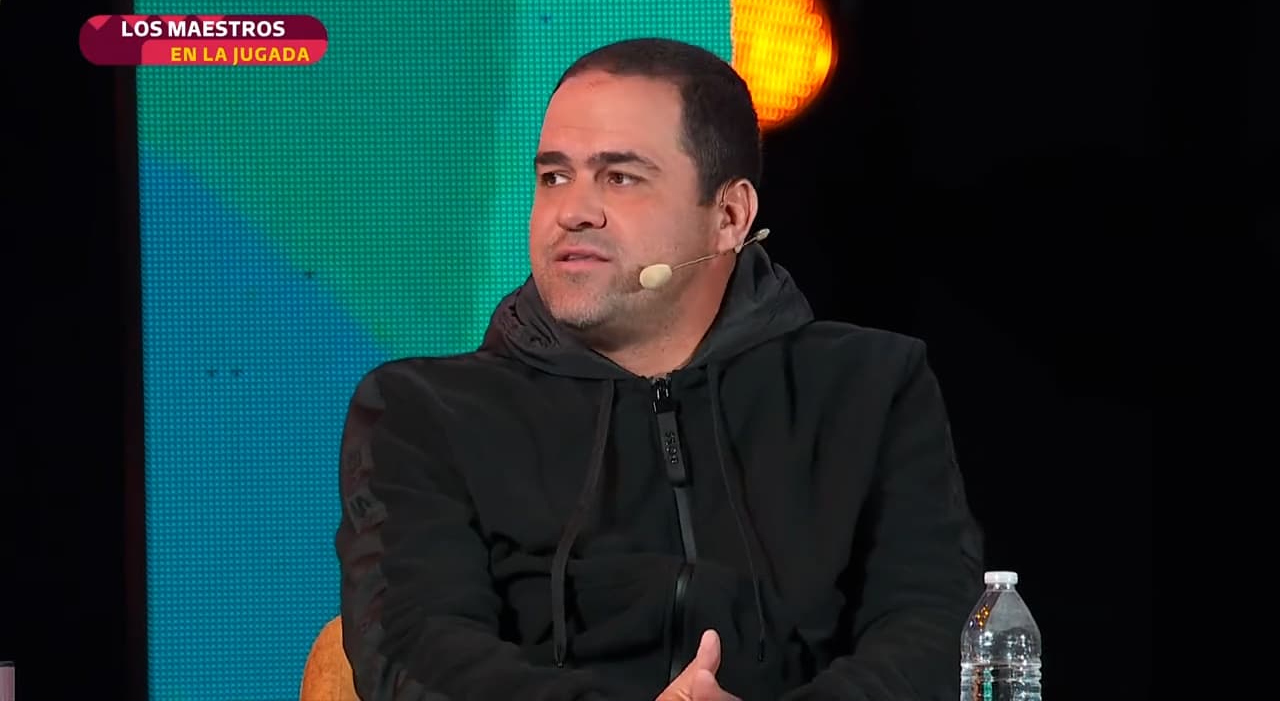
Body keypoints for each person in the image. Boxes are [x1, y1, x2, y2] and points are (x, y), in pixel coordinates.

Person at [335, 37, 985, 701]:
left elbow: (934, 628)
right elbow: (420, 648)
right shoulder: (422, 412)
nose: (572, 211)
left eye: (619, 177)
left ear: (729, 216)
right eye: (554, 177)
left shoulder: (870, 385)